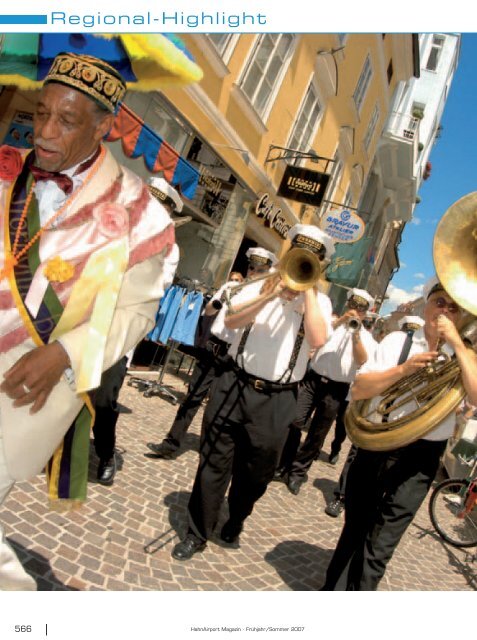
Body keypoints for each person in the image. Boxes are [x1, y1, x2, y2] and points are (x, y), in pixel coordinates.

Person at [0, 52, 177, 590]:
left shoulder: (140, 212)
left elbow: (136, 312)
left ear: (105, 126)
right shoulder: (6, 167)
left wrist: (66, 354)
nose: (46, 133)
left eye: (68, 121)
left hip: (23, 382)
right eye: (41, 114)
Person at [171, 224, 335, 561]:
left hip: (278, 399)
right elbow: (231, 322)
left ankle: (238, 515)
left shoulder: (320, 302)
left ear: (321, 265)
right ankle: (197, 531)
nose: (301, 262)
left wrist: (306, 292)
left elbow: (318, 341)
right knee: (213, 461)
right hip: (234, 382)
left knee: (256, 473)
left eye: (311, 259)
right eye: (298, 255)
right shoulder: (259, 284)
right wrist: (271, 293)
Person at [321, 276, 477, 590]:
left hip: (421, 458)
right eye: (439, 302)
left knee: (382, 543)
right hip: (378, 445)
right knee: (355, 529)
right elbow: (361, 388)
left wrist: (459, 346)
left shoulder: (466, 356)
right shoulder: (398, 341)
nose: (445, 311)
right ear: (428, 304)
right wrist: (404, 371)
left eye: (454, 307)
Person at [146, 248, 278, 459]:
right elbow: (208, 311)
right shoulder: (231, 286)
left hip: (233, 356)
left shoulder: (266, 296)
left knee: (218, 406)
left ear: (267, 271)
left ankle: (211, 449)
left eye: (259, 269)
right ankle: (171, 443)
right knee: (192, 397)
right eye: (251, 267)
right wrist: (217, 302)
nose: (252, 272)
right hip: (212, 348)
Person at [93, 177, 182, 484]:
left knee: (103, 398)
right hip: (86, 319)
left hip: (120, 332)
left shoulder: (170, 249)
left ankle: (105, 452)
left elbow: (155, 287)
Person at [277, 288, 376, 496]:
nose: (355, 311)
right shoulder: (332, 324)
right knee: (295, 420)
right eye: (353, 306)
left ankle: (297, 472)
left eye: (360, 309)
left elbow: (362, 360)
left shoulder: (366, 338)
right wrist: (341, 322)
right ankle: (283, 464)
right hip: (313, 380)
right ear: (347, 305)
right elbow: (318, 336)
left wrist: (356, 334)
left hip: (337, 389)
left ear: (366, 313)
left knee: (317, 434)